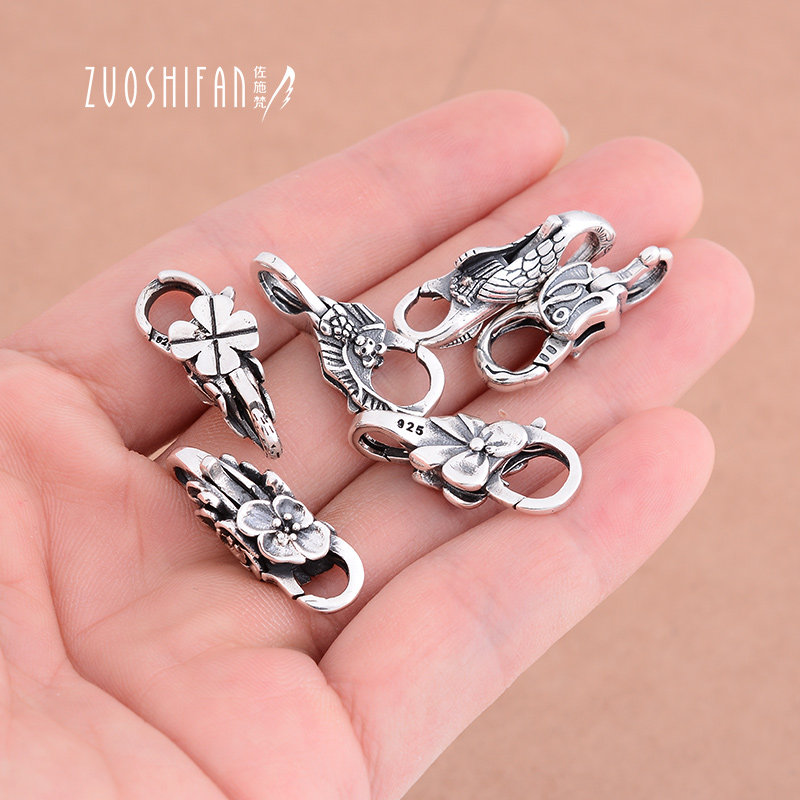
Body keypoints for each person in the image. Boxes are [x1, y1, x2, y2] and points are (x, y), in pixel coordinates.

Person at [0, 91, 753, 799]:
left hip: (445, 430)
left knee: (330, 428)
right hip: (390, 436)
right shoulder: (303, 409)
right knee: (265, 430)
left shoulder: (429, 393)